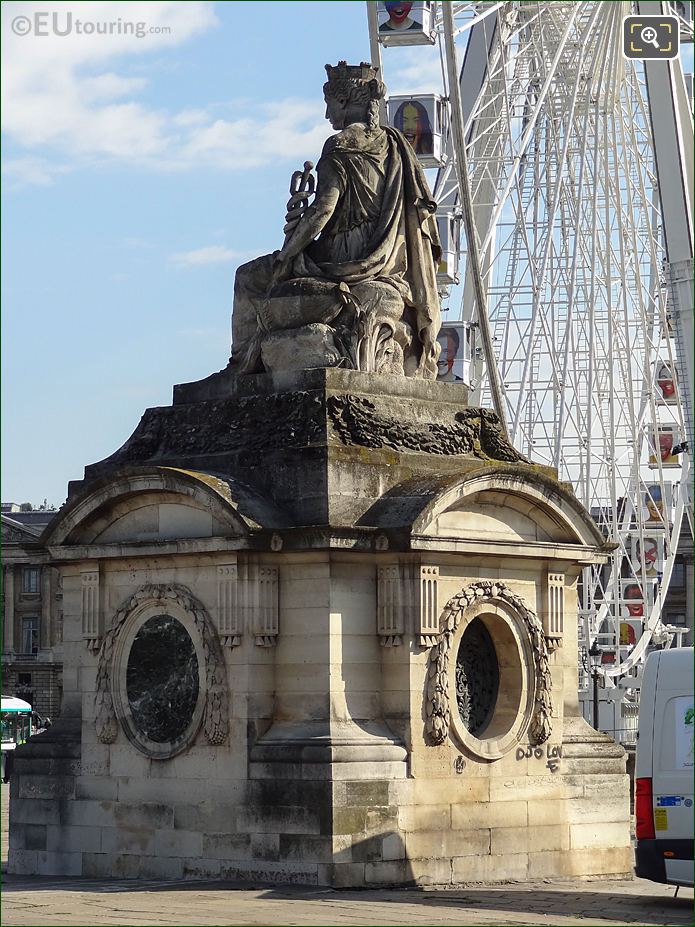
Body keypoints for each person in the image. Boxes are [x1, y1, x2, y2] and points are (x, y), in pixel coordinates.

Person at [229, 61, 442, 379]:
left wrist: (287, 254)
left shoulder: (340, 145)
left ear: (342, 101)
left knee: (247, 277)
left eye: (328, 104)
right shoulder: (397, 146)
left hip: (343, 257)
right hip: (388, 260)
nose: (327, 115)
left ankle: (239, 364)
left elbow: (323, 211)